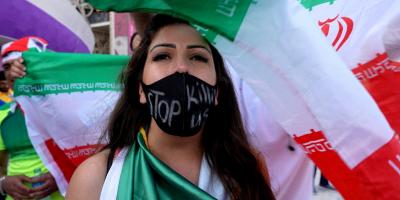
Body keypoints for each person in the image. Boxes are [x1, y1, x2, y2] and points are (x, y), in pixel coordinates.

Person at [67, 14, 276, 200]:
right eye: (162, 56)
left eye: (197, 57)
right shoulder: (95, 178)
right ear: (140, 89)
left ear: (217, 92)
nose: (181, 68)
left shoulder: (247, 170)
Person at [0, 38, 63, 200]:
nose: (11, 72)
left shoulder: (62, 107)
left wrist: (61, 175)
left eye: (19, 64)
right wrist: (3, 183)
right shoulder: (2, 114)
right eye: (6, 66)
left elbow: (87, 154)